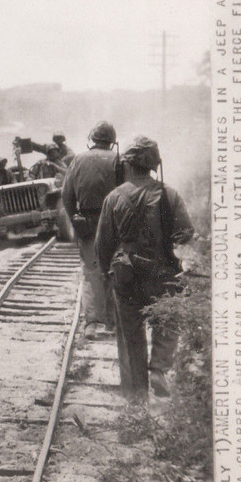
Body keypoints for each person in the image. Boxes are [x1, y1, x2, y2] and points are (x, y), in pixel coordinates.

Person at [95, 136, 194, 400]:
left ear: (127, 165)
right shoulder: (169, 194)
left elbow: (102, 244)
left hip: (126, 275)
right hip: (161, 273)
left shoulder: (114, 198)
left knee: (131, 336)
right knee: (169, 316)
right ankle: (159, 368)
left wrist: (108, 272)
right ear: (153, 164)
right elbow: (185, 232)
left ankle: (136, 398)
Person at [61, 121, 123, 339]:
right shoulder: (119, 160)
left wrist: (75, 219)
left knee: (91, 272)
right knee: (116, 270)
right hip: (115, 223)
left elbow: (67, 195)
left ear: (93, 139)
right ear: (111, 141)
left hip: (87, 222)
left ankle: (92, 325)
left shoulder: (78, 160)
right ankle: (114, 322)